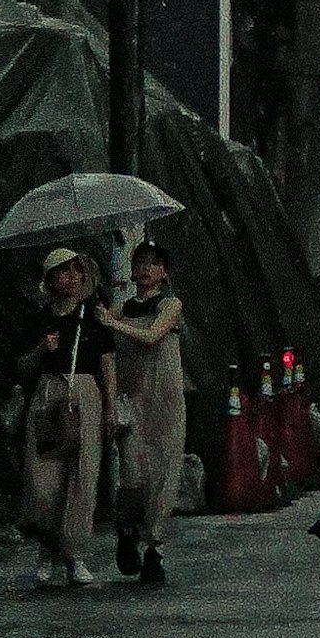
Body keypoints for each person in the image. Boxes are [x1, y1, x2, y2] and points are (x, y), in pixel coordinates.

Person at [6, 245, 117, 592]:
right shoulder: (39, 319)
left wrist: (111, 405)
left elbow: (106, 363)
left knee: (82, 475)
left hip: (84, 393)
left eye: (77, 270)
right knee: (43, 477)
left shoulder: (92, 317)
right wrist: (43, 348)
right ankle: (47, 548)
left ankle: (74, 554)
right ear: (50, 279)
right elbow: (20, 366)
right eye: (64, 271)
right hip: (49, 393)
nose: (73, 277)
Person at [99, 238, 190, 591]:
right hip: (132, 401)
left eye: (153, 263)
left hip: (165, 403)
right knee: (132, 473)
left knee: (165, 473)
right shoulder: (122, 307)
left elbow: (152, 336)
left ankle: (155, 548)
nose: (145, 269)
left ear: (163, 271)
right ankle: (128, 530)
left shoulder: (171, 304)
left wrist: (112, 322)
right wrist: (106, 317)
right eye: (140, 262)